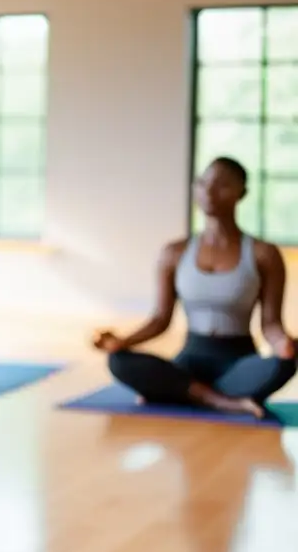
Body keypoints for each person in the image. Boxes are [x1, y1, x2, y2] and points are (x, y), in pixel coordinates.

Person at [94, 157, 297, 418]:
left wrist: (283, 344)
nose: (209, 192)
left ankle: (184, 393)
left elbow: (270, 324)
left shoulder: (264, 254)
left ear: (242, 194)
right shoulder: (174, 253)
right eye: (203, 183)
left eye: (222, 185)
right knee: (119, 361)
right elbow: (159, 319)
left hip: (237, 363)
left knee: (286, 364)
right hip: (189, 361)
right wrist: (123, 341)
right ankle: (221, 401)